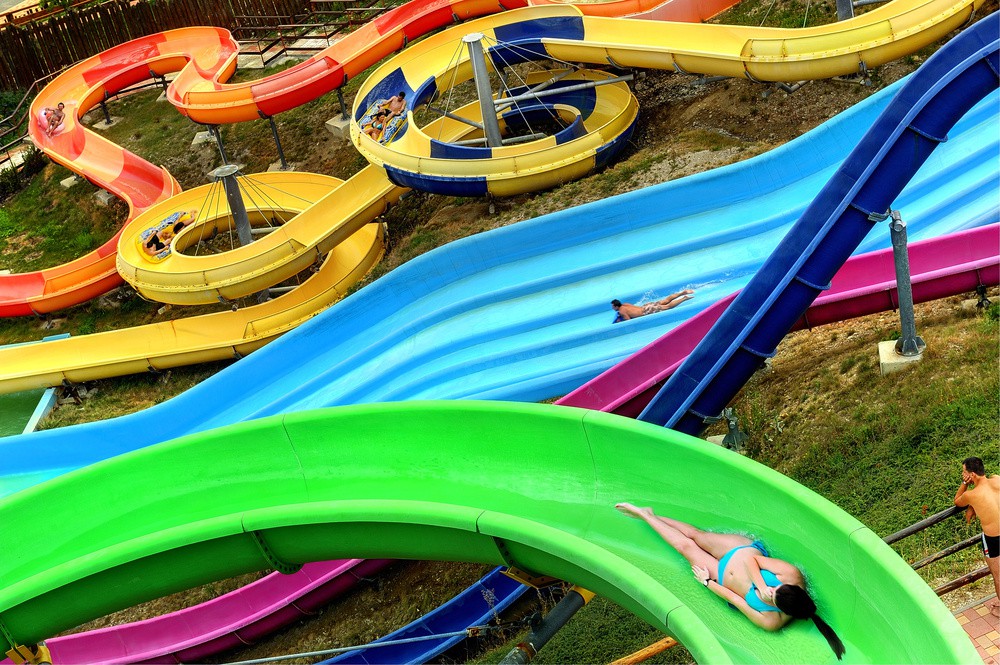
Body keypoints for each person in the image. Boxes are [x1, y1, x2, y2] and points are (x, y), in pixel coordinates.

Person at [615, 502, 845, 659]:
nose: (771, 591)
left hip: (721, 575)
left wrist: (707, 583)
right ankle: (650, 514)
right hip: (740, 551)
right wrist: (762, 586)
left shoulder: (771, 621)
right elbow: (753, 561)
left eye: (772, 598)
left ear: (782, 610)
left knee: (685, 546)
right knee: (697, 536)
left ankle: (646, 516)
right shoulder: (792, 575)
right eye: (776, 588)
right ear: (791, 587)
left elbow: (736, 600)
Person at [954, 456, 1000, 617]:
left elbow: (957, 501)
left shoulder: (971, 495)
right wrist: (973, 506)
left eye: (964, 472)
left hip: (993, 539)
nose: (963, 474)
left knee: (998, 575)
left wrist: (965, 483)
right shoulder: (997, 479)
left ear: (972, 474)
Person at [611, 290, 694, 321]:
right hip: (645, 306)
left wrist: (620, 320)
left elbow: (629, 320)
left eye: (613, 306)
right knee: (666, 300)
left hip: (646, 310)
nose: (612, 308)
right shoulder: (625, 304)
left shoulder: (621, 311)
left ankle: (684, 298)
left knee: (667, 307)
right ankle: (682, 293)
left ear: (616, 306)